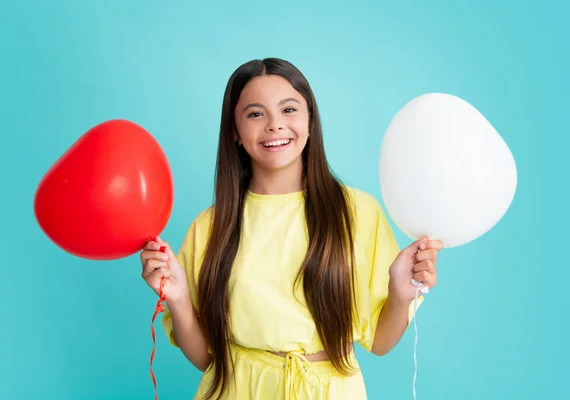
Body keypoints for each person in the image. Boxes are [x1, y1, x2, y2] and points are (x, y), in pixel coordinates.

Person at [140, 58, 442, 400]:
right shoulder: (211, 227)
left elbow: (381, 342)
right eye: (255, 114)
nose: (274, 125)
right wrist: (178, 298)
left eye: (289, 109)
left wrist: (400, 295)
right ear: (235, 132)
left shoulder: (357, 212)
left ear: (310, 120)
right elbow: (206, 358)